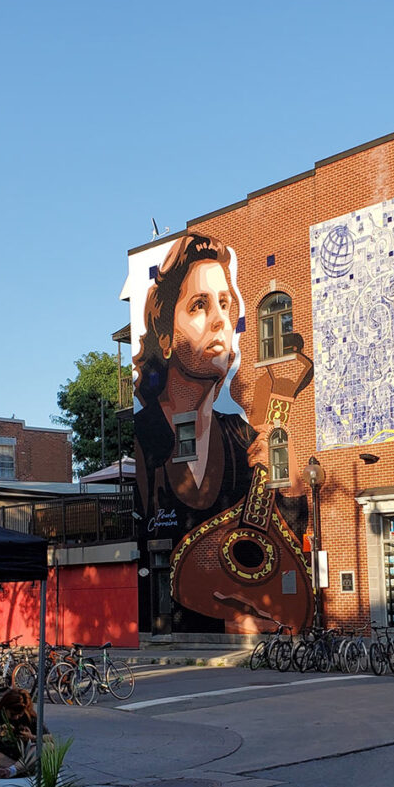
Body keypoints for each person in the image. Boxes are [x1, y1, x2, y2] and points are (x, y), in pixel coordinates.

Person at [133, 233, 306, 632]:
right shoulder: (146, 434)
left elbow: (286, 539)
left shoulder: (242, 435)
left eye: (225, 305)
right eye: (199, 306)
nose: (219, 321)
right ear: (164, 337)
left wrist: (292, 482)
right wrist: (223, 625)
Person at [0, 688, 48, 780]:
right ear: (4, 708)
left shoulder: (29, 715)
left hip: (24, 759)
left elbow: (50, 738)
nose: (16, 717)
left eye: (19, 714)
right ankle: (11, 772)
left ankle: (11, 771)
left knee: (47, 747)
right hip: (3, 759)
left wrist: (32, 737)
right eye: (12, 714)